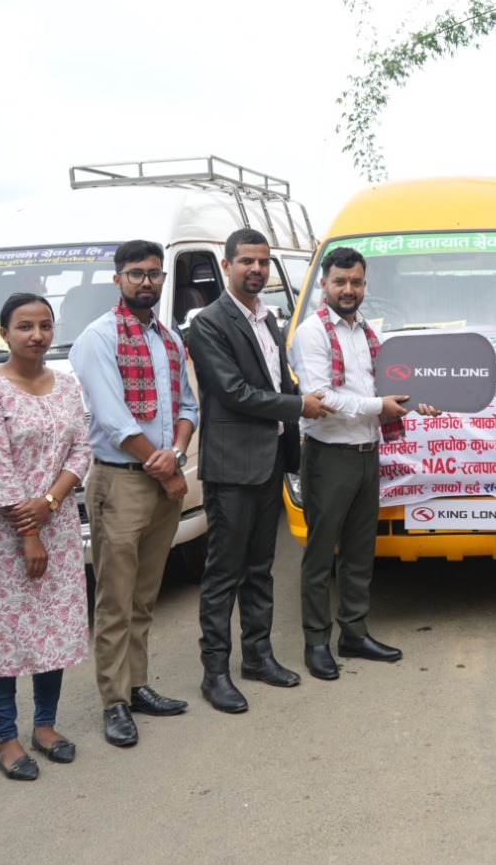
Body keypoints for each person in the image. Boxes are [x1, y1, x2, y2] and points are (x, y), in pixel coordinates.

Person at [188, 226, 334, 713]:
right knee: (224, 573)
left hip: (269, 458)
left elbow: (277, 378)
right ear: (226, 266)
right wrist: (299, 406)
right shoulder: (208, 323)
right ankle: (215, 673)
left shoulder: (269, 319)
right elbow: (233, 392)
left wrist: (298, 403)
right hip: (232, 466)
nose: (255, 269)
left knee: (259, 569)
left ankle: (258, 657)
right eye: (246, 261)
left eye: (262, 262)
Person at [69, 240, 198, 748]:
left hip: (165, 475)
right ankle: (113, 702)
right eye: (136, 273)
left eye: (154, 274)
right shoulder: (98, 339)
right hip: (122, 481)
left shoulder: (167, 339)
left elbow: (188, 405)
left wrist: (179, 455)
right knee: (115, 599)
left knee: (146, 595)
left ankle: (138, 685)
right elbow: (113, 418)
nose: (147, 282)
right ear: (117, 279)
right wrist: (163, 467)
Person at [290, 246, 440, 680]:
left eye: (356, 281)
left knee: (359, 552)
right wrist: (381, 405)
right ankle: (316, 642)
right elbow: (321, 397)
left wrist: (419, 401)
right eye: (340, 281)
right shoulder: (313, 333)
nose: (349, 289)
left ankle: (353, 633)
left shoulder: (367, 332)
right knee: (321, 556)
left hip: (366, 452)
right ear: (324, 284)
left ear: (364, 283)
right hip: (328, 456)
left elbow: (392, 386)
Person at [0, 293, 92, 779]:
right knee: (5, 635)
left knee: (53, 626)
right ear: (4, 333)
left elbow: (81, 451)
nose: (36, 335)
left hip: (57, 524)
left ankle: (45, 726)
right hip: (7, 535)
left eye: (44, 325)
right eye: (24, 326)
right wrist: (29, 533)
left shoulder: (66, 386)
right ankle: (6, 738)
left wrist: (50, 504)